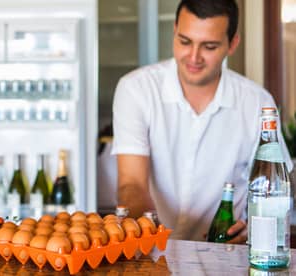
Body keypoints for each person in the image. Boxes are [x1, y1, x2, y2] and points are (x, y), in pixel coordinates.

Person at [111, 0, 293, 243]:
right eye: (185, 41)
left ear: (232, 44)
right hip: (153, 250)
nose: (193, 57)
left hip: (227, 255)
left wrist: (254, 227)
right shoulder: (136, 89)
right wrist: (146, 236)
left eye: (209, 46)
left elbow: (276, 187)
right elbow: (131, 183)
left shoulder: (257, 103)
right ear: (175, 30)